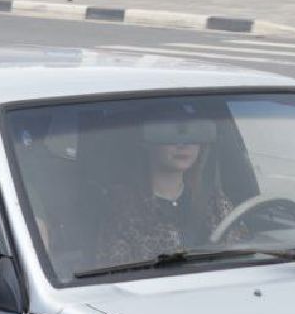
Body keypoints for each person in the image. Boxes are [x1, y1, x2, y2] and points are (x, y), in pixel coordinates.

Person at [91, 108, 233, 268]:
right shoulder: (122, 208)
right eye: (170, 135)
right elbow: (115, 273)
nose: (184, 144)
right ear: (146, 142)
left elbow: (242, 253)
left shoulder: (215, 202)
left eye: (194, 135)